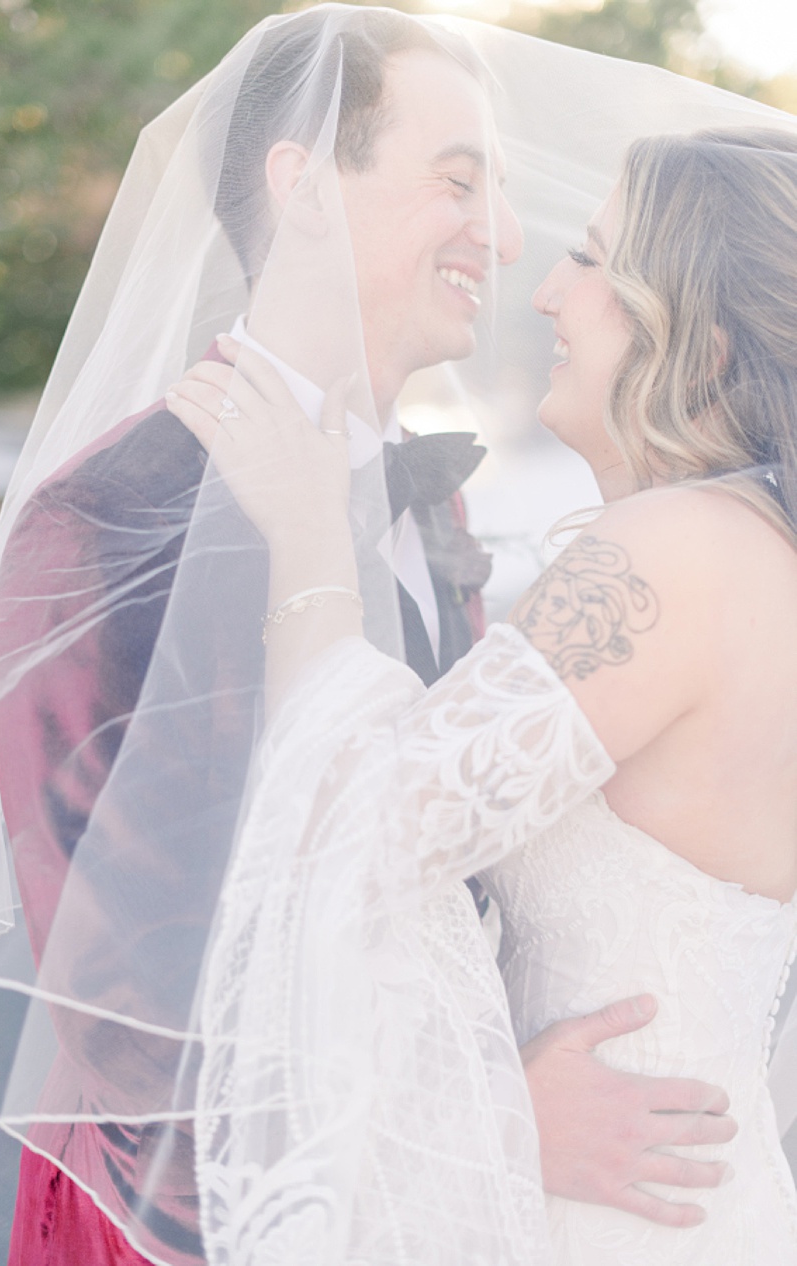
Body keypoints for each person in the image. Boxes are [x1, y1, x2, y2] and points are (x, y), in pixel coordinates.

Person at [0, 9, 738, 1263]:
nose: (496, 233)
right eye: (454, 180)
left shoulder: (433, 503)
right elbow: (130, 1020)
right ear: (301, 183)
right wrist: (485, 1117)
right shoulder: (100, 521)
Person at [169, 125, 797, 1262]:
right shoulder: (761, 556)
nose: (548, 291)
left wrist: (311, 540)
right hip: (698, 1202)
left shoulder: (675, 553)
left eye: (597, 263)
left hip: (598, 1217)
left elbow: (341, 844)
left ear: (697, 349)